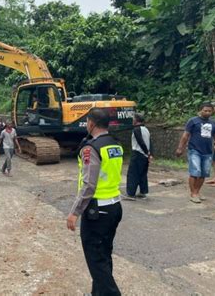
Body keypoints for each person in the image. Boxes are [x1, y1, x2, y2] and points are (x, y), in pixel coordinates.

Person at [67, 108, 123, 296]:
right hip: (114, 207)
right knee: (103, 255)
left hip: (97, 212)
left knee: (96, 261)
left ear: (91, 123)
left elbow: (89, 184)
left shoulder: (91, 148)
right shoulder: (115, 145)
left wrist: (74, 212)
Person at [176, 102, 215, 203]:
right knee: (195, 172)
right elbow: (185, 135)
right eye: (205, 110)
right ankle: (193, 193)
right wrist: (180, 148)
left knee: (203, 173)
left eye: (209, 111)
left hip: (208, 152)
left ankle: (197, 192)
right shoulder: (193, 121)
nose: (207, 112)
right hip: (194, 150)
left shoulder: (213, 123)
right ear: (200, 110)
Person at [124, 113, 153, 200]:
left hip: (138, 153)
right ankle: (143, 192)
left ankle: (131, 193)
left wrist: (146, 152)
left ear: (136, 120)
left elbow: (140, 141)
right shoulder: (146, 129)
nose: (132, 120)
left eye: (133, 119)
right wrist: (150, 153)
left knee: (133, 174)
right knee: (142, 174)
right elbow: (150, 142)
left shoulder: (136, 129)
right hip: (145, 155)